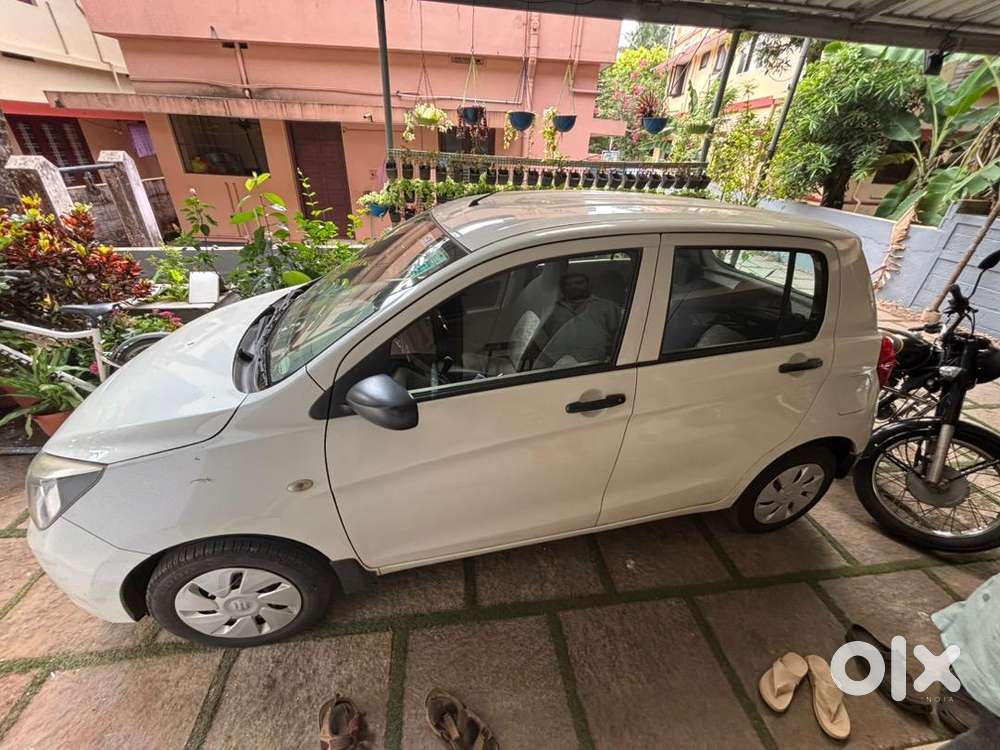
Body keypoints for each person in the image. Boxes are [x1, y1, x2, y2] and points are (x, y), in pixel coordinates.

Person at [531, 272, 623, 369]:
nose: (574, 286)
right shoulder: (550, 310)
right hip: (555, 367)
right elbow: (538, 340)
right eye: (568, 284)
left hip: (599, 366)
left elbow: (619, 336)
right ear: (562, 288)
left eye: (579, 283)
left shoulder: (608, 307)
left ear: (588, 284)